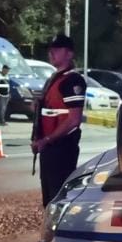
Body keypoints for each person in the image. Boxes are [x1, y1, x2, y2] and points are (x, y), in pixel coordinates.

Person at [31, 34, 85, 205]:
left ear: (69, 54)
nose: (51, 53)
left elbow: (74, 119)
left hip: (62, 149)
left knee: (59, 200)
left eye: (57, 49)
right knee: (49, 201)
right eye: (50, 50)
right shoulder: (54, 79)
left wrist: (47, 139)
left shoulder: (72, 80)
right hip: (48, 148)